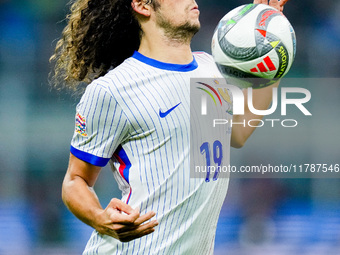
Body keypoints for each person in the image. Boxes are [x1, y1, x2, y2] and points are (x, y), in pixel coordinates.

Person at [50, 0, 289, 253]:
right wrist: (99, 218)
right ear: (143, 5)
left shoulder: (210, 70)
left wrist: (273, 51)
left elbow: (238, 133)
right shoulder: (112, 90)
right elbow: (76, 180)